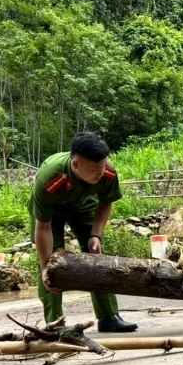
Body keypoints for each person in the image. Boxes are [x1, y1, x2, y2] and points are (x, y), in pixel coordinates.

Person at [29, 132, 138, 332]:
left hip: (83, 204)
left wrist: (96, 235)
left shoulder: (107, 171)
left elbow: (106, 202)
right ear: (76, 165)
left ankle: (109, 317)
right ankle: (55, 324)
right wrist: (45, 266)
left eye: (104, 166)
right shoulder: (49, 178)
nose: (101, 172)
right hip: (50, 213)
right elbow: (42, 226)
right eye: (95, 169)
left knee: (96, 256)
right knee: (52, 265)